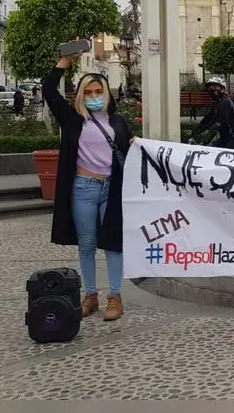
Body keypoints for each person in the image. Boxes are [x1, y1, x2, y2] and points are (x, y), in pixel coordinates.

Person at [43, 48, 132, 321]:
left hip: (112, 188)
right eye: (89, 92)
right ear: (82, 95)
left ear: (107, 93)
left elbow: (127, 153)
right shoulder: (72, 119)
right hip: (83, 187)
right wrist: (64, 61)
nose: (94, 97)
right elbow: (49, 90)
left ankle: (115, 296)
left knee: (114, 243)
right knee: (87, 244)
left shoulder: (118, 122)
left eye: (99, 92)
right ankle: (90, 295)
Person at [189, 77, 234, 150]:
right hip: (225, 138)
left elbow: (217, 124)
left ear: (222, 89)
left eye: (215, 87)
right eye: (210, 87)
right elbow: (207, 120)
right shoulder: (216, 103)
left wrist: (205, 141)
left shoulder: (225, 102)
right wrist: (194, 132)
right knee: (211, 150)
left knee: (225, 153)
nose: (212, 90)